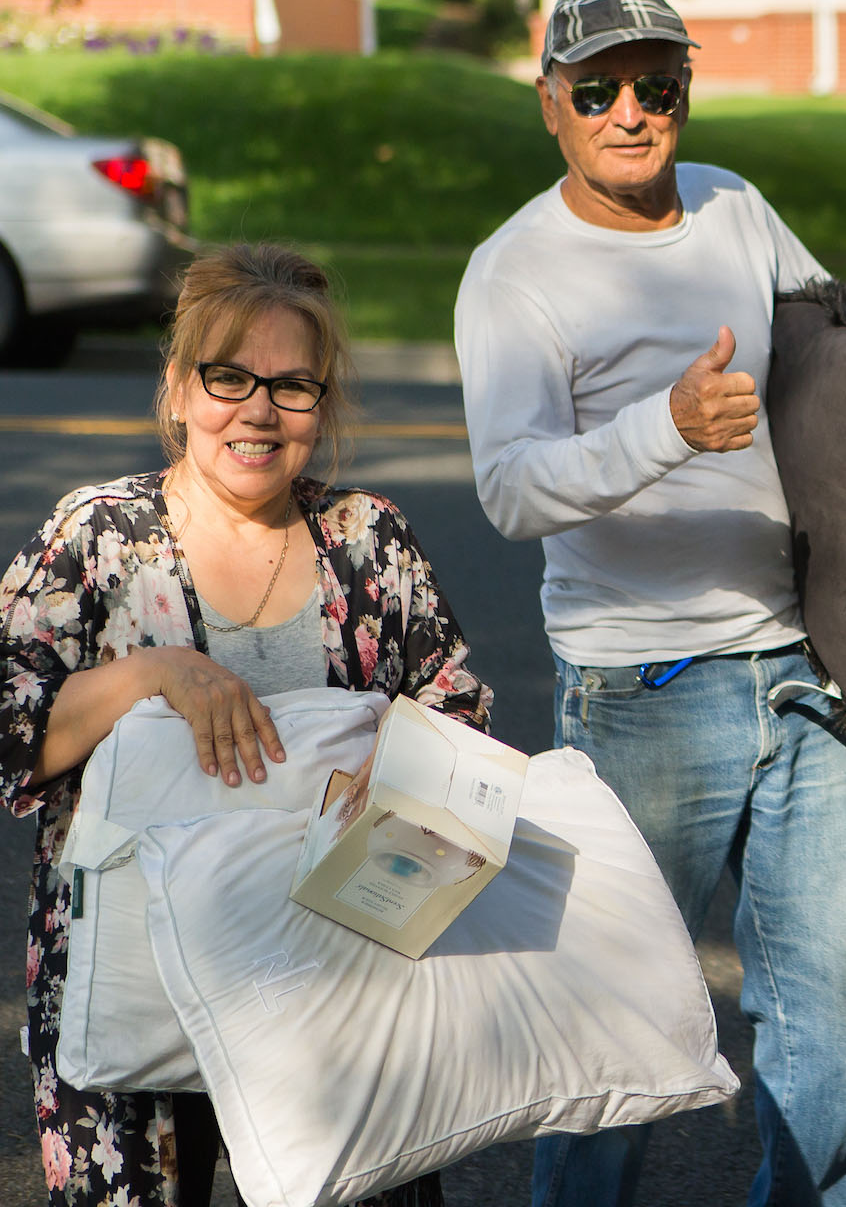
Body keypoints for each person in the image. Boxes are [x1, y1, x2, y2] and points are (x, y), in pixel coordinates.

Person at [454, 0, 846, 1207]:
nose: (631, 112)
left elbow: (831, 356)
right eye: (598, 89)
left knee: (835, 1019)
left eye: (659, 85)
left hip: (797, 668)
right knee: (621, 1038)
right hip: (644, 691)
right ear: (550, 105)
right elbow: (512, 492)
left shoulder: (738, 207)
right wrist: (669, 428)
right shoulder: (515, 271)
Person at [0, 243, 490, 1207]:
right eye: (229, 377)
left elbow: (461, 717)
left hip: (335, 992)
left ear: (323, 403)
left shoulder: (369, 540)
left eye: (294, 386)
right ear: (180, 388)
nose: (259, 410)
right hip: (134, 995)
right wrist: (152, 673)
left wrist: (399, 772)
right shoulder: (96, 538)